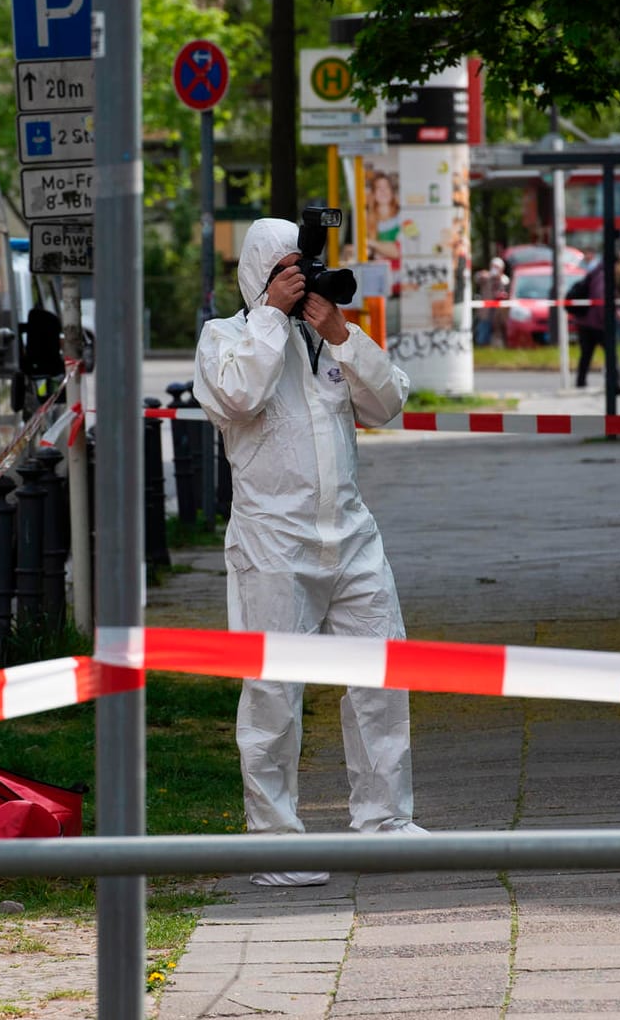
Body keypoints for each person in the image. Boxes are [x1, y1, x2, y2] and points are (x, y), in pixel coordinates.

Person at [194, 217, 425, 888]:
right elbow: (237, 396)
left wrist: (340, 334)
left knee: (383, 677)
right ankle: (273, 841)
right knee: (271, 693)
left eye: (308, 267)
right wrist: (271, 316)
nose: (304, 280)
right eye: (289, 269)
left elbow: (388, 403)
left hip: (350, 535)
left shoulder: (326, 341)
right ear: (262, 274)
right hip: (272, 543)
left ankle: (385, 824)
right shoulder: (226, 338)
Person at [566, 250, 620, 388]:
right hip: (596, 323)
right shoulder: (604, 276)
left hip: (587, 321)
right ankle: (616, 382)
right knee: (610, 354)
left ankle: (581, 382)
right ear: (617, 264)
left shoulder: (599, 272)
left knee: (586, 355)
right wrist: (608, 319)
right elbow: (602, 299)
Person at [364, 170, 402, 261]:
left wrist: (371, 243)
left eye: (386, 187)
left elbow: (397, 252)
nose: (383, 191)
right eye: (379, 188)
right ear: (373, 194)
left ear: (392, 192)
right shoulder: (367, 220)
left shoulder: (402, 217)